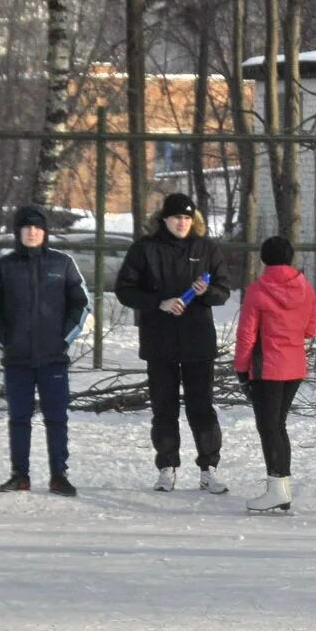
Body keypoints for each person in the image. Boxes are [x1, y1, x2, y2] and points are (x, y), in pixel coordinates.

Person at [114, 192, 233, 493]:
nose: (182, 223)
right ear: (164, 219)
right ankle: (167, 467)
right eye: (177, 217)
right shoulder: (145, 249)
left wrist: (205, 293)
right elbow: (125, 290)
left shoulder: (206, 249)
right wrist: (159, 303)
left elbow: (223, 291)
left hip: (197, 341)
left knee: (201, 407)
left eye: (187, 218)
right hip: (159, 341)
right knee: (164, 407)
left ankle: (209, 468)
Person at [0, 204, 90, 496]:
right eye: (26, 227)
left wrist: (64, 338)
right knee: (19, 418)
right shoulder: (3, 266)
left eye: (37, 227)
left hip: (54, 358)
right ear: (18, 231)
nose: (32, 232)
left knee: (56, 418)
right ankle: (20, 475)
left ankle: (59, 475)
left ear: (45, 231)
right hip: (17, 360)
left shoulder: (62, 263)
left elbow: (82, 303)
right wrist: (7, 340)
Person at [232, 235, 316, 514]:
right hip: (294, 366)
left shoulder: (258, 290)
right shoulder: (305, 287)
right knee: (278, 425)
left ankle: (276, 488)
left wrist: (241, 368)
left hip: (267, 367)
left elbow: (246, 335)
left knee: (268, 427)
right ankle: (282, 486)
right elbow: (310, 330)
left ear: (263, 259)